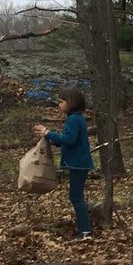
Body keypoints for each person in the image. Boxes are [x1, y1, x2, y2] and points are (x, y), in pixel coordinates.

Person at [33, 88, 95, 239]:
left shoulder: (75, 119)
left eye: (61, 102)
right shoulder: (74, 118)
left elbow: (69, 139)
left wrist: (47, 132)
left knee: (76, 196)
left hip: (79, 163)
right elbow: (66, 140)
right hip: (77, 163)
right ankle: (84, 228)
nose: (59, 105)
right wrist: (51, 138)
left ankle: (85, 231)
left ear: (71, 103)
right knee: (76, 196)